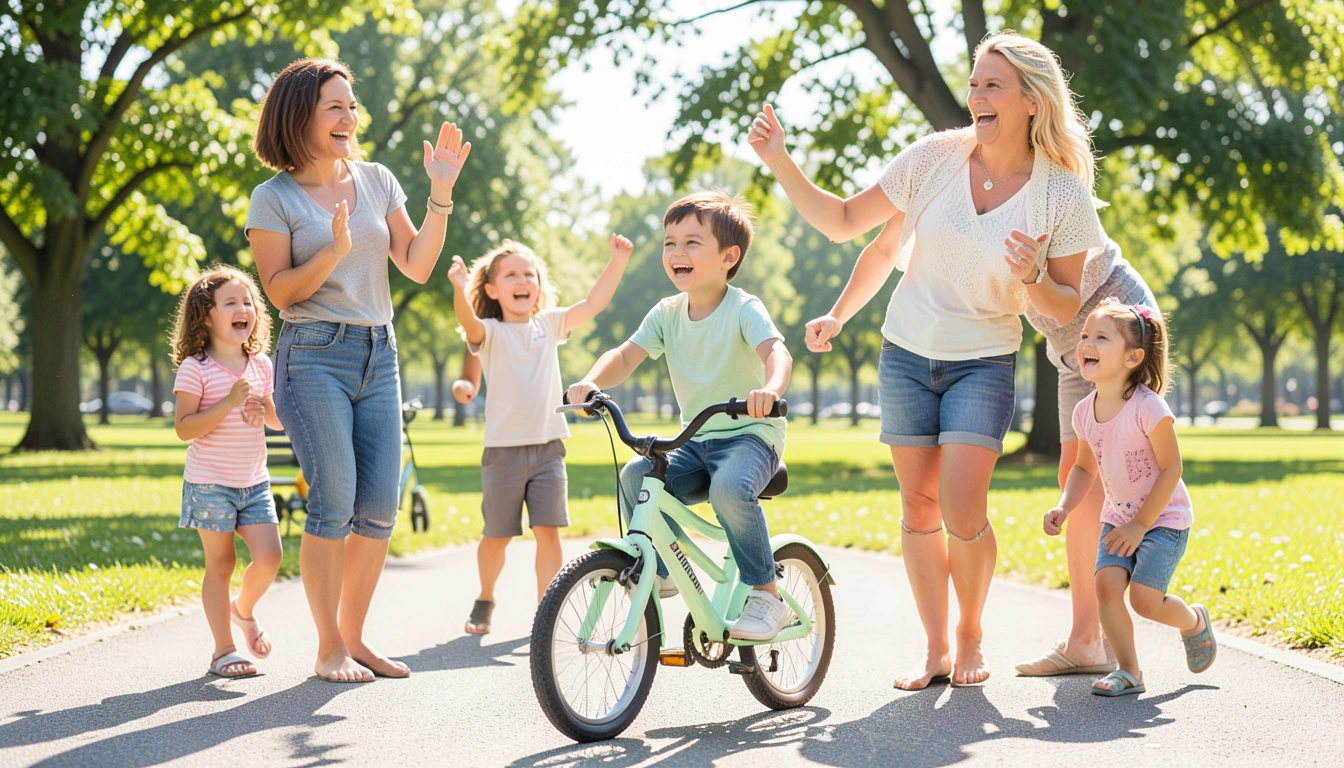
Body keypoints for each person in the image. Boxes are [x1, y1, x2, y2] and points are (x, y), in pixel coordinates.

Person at [747, 32, 1106, 686]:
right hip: (906, 353)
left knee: (963, 509)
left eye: (991, 85)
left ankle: (971, 636)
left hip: (984, 360)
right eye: (973, 83)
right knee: (918, 509)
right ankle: (937, 648)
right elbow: (848, 222)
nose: (975, 95)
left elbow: (1062, 305)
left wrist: (1030, 276)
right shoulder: (935, 157)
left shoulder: (1061, 193)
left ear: (1031, 99)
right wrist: (780, 160)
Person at [245, 58, 471, 683]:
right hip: (313, 355)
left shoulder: (375, 179)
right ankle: (327, 650)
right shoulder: (275, 198)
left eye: (352, 104)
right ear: (301, 117)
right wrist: (335, 252)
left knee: (378, 504)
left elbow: (417, 265)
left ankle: (355, 638)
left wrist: (441, 194)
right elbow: (282, 292)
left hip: (380, 351)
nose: (350, 117)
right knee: (334, 499)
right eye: (335, 107)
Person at [567, 191, 795, 641]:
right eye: (669, 243)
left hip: (751, 436)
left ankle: (768, 594)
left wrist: (769, 391)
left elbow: (777, 351)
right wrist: (592, 382)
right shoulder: (666, 314)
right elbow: (626, 355)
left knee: (730, 489)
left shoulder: (743, 308)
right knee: (636, 476)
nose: (677, 253)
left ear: (729, 257)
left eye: (692, 242)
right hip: (697, 438)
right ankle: (665, 568)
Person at [447, 236, 633, 634]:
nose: (522, 279)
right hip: (503, 453)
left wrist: (617, 261)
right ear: (493, 290)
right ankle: (486, 595)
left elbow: (592, 304)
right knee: (497, 536)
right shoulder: (491, 332)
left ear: (538, 286)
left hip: (549, 448)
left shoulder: (549, 325)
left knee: (548, 530)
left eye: (528, 273)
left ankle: (545, 611)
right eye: (511, 274)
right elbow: (468, 323)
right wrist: (459, 289)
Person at [1043, 299, 1216, 696]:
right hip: (1118, 517)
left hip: (1162, 519)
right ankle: (1130, 671)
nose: (1087, 342)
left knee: (1144, 601)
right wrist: (1064, 506)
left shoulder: (1149, 407)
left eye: (1101, 337)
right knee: (1105, 586)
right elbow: (1084, 468)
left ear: (1133, 357)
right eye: (1085, 335)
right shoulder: (1084, 412)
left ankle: (1192, 622)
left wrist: (1141, 525)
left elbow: (1173, 468)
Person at [1014, 237, 1158, 677]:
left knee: (1119, 471)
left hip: (1115, 331)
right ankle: (1086, 640)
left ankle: (1134, 608)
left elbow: (1062, 299)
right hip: (1068, 348)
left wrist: (1028, 274)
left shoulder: (1050, 187)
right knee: (1074, 476)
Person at [170, 265, 284, 678]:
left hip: (253, 482)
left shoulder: (261, 365)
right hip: (210, 483)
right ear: (205, 316)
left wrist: (261, 410)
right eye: (231, 302)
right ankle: (223, 650)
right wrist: (227, 404)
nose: (244, 309)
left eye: (248, 302)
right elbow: (185, 428)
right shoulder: (195, 369)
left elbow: (276, 420)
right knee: (221, 565)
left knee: (270, 558)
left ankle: (244, 610)